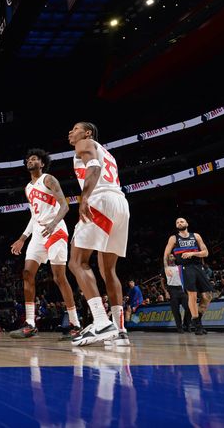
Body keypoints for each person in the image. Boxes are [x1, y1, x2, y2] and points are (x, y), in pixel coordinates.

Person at [66, 122, 130, 346]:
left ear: (88, 132)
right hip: (121, 204)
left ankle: (102, 322)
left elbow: (93, 168)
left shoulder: (84, 143)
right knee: (108, 269)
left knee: (76, 262)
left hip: (101, 201)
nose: (71, 132)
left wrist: (84, 198)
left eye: (75, 128)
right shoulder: (108, 152)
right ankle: (120, 328)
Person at [9, 149, 81, 340]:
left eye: (34, 159)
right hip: (39, 234)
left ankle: (75, 324)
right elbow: (34, 217)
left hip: (56, 231)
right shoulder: (28, 188)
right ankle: (30, 324)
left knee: (59, 278)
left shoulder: (48, 179)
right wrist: (22, 238)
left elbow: (65, 206)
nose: (30, 161)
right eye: (28, 159)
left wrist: (53, 223)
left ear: (41, 163)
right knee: (27, 273)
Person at [163, 217, 212, 335]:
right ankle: (197, 325)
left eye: (182, 221)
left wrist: (192, 253)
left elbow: (206, 252)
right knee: (192, 295)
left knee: (208, 296)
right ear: (176, 226)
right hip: (185, 268)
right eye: (177, 222)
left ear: (187, 223)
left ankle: (197, 318)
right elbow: (166, 254)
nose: (180, 223)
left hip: (198, 267)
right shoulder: (174, 238)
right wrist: (166, 268)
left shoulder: (196, 236)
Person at [162, 253, 191, 333]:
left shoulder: (180, 267)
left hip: (181, 289)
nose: (171, 258)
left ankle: (186, 324)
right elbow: (162, 281)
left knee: (189, 307)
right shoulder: (165, 268)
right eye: (169, 257)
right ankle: (179, 327)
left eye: (172, 256)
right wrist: (166, 292)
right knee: (176, 311)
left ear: (174, 258)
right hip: (172, 290)